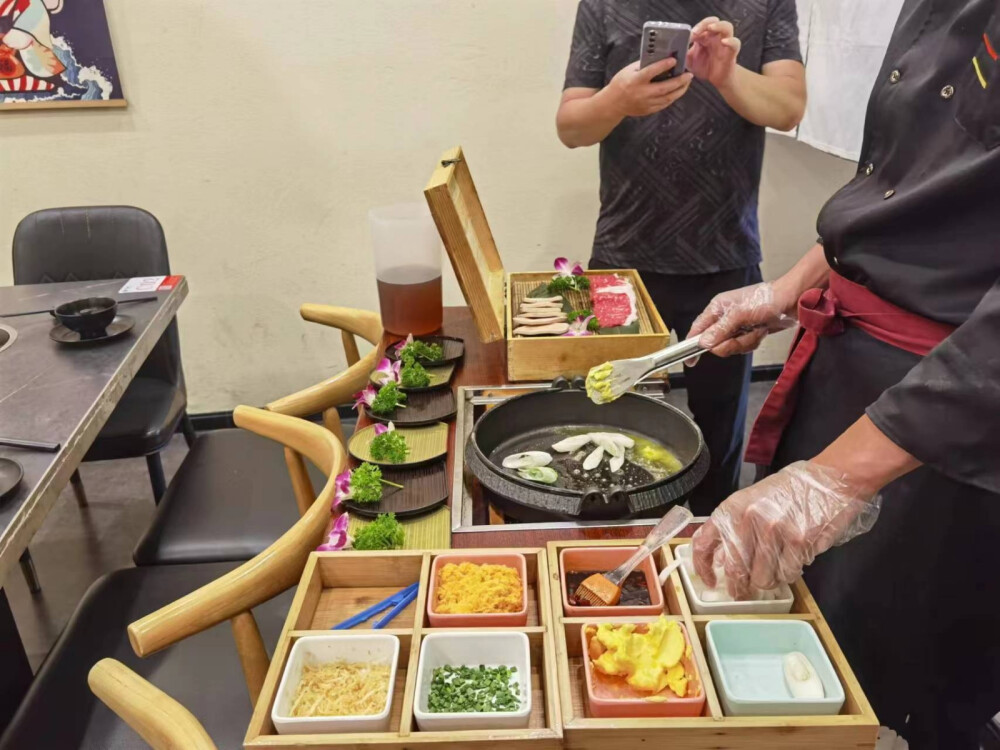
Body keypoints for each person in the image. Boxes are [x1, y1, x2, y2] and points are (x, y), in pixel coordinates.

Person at [687, 1, 1000, 746]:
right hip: (848, 372)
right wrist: (788, 287)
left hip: (951, 414)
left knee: (912, 683)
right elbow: (901, 186)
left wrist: (838, 478)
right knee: (816, 637)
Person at [557, 2, 806, 515]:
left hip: (726, 259)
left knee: (717, 439)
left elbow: (788, 109)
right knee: (606, 426)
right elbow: (572, 128)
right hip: (620, 263)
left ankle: (704, 558)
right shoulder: (604, 5)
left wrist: (727, 74)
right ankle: (608, 546)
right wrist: (617, 99)